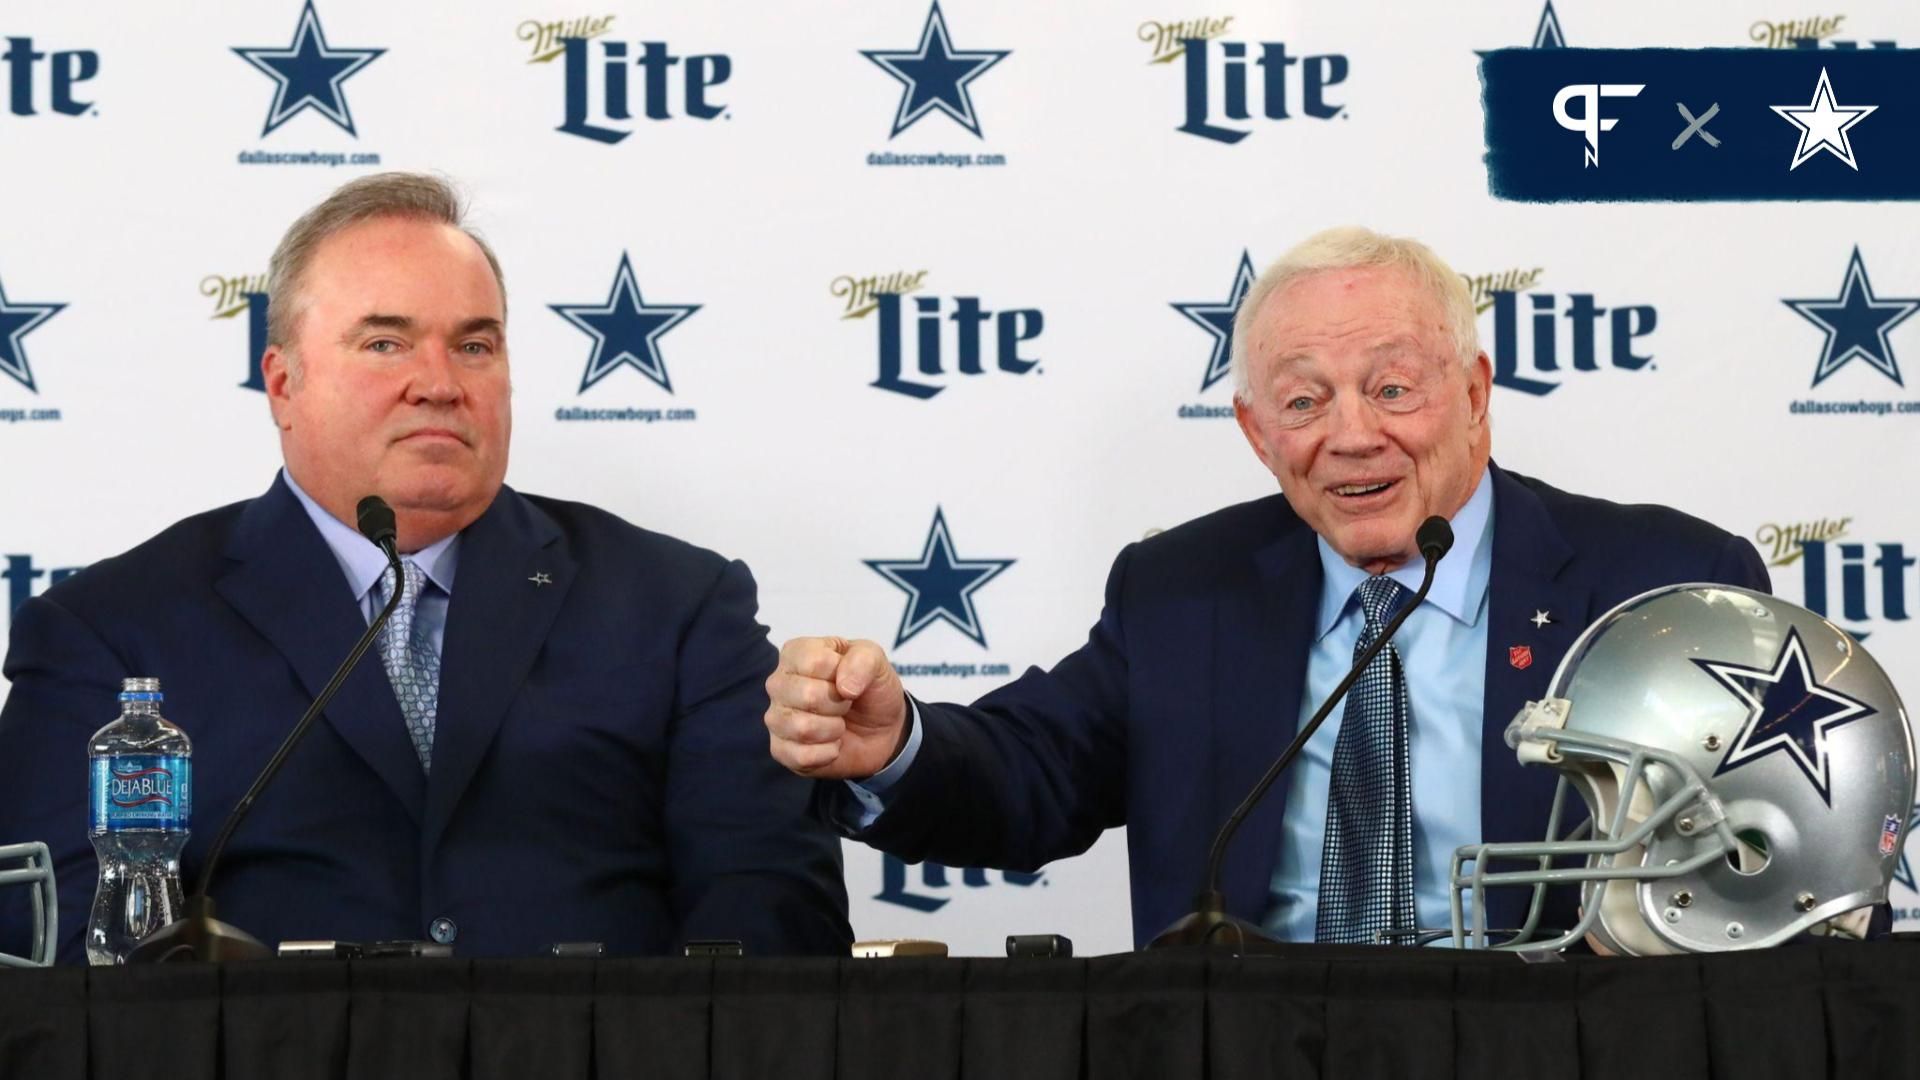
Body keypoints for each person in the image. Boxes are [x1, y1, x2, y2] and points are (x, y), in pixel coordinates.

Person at [766, 227, 1770, 948]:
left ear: (1473, 396)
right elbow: (1035, 773)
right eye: (1303, 400)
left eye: (1391, 387)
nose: (1350, 434)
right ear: (1257, 434)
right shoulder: (1180, 590)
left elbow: (1771, 870)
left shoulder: (1668, 585)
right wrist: (892, 747)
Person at [0, 173, 851, 961]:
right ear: (283, 383)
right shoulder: (111, 631)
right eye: (385, 343)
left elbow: (770, 913)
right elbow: (60, 954)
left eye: (475, 347)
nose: (439, 384)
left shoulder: (677, 607)